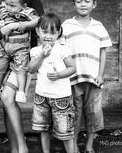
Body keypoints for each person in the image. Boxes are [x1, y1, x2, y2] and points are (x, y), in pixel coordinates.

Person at [0, 0, 44, 153]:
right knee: (6, 103)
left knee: (7, 97)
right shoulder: (1, 6)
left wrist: (15, 25)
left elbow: (40, 26)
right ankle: (15, 148)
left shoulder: (33, 2)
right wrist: (0, 29)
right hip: (6, 56)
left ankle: (22, 147)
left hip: (24, 59)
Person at [61, 0, 112, 153]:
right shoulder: (67, 26)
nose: (83, 4)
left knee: (93, 113)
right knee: (73, 114)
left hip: (93, 78)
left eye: (87, 1)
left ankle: (89, 145)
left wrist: (101, 75)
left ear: (94, 4)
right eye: (79, 1)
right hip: (73, 78)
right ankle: (73, 146)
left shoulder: (99, 26)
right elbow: (61, 51)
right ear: (73, 4)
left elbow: (103, 52)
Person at [28, 13, 76, 153]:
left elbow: (72, 68)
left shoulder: (62, 49)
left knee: (66, 132)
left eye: (53, 32)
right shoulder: (35, 51)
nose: (48, 36)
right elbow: (31, 69)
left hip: (61, 98)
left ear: (58, 33)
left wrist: (59, 75)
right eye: (44, 31)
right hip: (41, 97)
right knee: (43, 129)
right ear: (37, 31)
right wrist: (42, 55)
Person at [0, 0, 39, 103]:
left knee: (21, 68)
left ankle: (21, 92)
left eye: (12, 6)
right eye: (7, 4)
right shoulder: (3, 7)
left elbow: (38, 21)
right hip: (4, 45)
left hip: (20, 47)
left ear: (24, 5)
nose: (8, 8)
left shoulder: (27, 12)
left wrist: (22, 25)